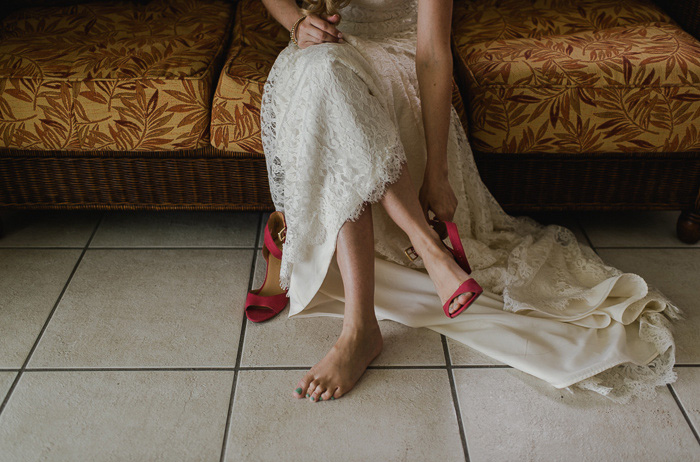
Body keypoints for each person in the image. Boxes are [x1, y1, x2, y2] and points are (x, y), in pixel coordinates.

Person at [255, 0, 683, 404]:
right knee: (325, 72)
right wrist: (296, 21)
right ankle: (417, 258)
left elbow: (432, 54)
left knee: (331, 84)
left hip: (391, 59)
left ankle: (365, 323)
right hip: (318, 52)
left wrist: (437, 173)